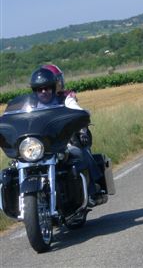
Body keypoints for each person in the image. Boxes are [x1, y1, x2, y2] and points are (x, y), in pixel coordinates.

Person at [30, 65, 104, 205]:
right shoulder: (32, 103)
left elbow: (76, 110)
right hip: (42, 144)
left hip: (66, 140)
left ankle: (91, 190)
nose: (44, 90)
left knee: (80, 154)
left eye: (48, 86)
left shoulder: (66, 97)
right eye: (40, 88)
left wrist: (82, 125)